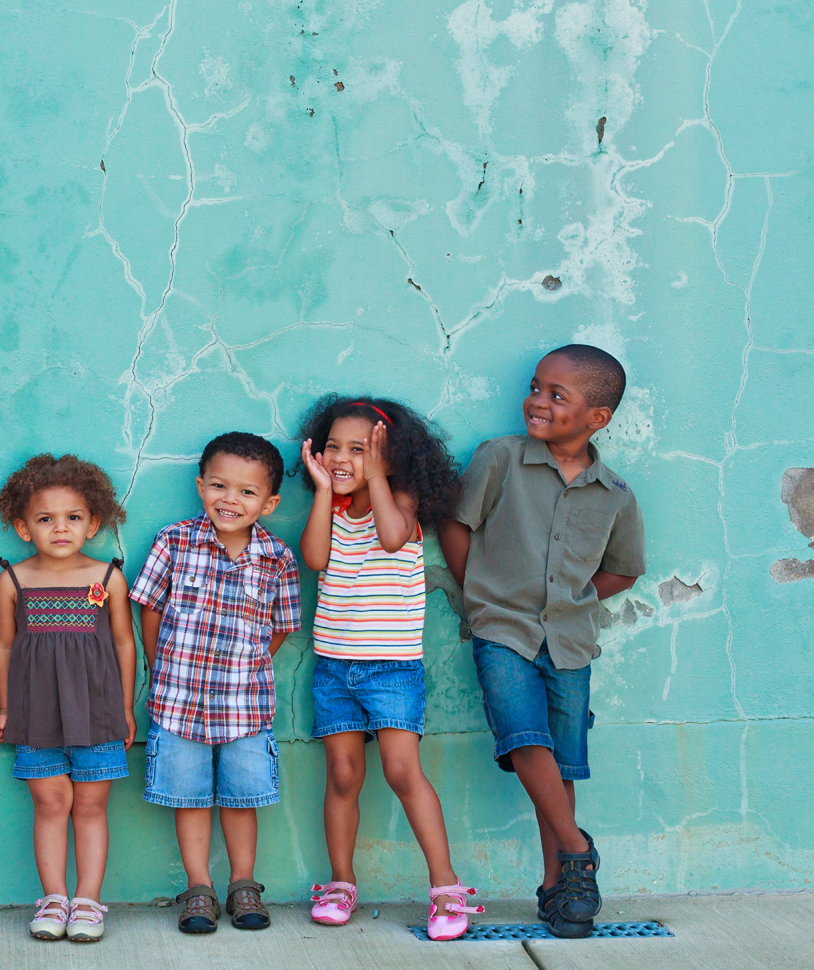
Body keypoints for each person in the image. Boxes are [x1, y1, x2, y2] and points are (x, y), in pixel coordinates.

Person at [438, 345, 646, 939]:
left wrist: (572, 600)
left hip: (570, 642)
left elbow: (624, 570)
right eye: (535, 387)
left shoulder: (615, 493)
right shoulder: (501, 458)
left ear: (597, 418)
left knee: (561, 763)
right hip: (500, 627)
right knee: (525, 736)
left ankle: (558, 888)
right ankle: (578, 851)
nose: (537, 401)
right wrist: (478, 593)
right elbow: (456, 522)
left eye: (557, 395)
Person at [296, 397, 484, 940]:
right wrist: (325, 491)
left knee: (403, 772)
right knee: (343, 775)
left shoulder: (400, 501)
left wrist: (377, 475)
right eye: (333, 447)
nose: (341, 458)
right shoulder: (332, 508)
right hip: (335, 666)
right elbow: (315, 558)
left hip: (391, 669)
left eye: (359, 449)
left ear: (390, 456)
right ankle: (340, 882)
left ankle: (446, 888)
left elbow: (392, 536)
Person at [128, 432, 302, 934]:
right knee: (190, 799)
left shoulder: (277, 557)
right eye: (220, 485)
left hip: (245, 705)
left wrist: (248, 665)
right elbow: (150, 608)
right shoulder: (174, 541)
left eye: (247, 491)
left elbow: (282, 626)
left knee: (242, 799)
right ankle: (199, 887)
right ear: (200, 485)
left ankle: (243, 885)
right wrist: (162, 665)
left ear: (269, 503)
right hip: (178, 702)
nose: (231, 499)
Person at [0, 455, 136, 942]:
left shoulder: (108, 578)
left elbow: (124, 643)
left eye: (73, 517)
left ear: (92, 524)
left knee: (91, 805)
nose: (60, 528)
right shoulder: (13, 581)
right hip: (37, 713)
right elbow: (4, 645)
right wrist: (6, 707)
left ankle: (88, 901)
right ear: (23, 527)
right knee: (50, 803)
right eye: (45, 519)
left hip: (98, 712)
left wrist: (126, 707)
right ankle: (54, 898)